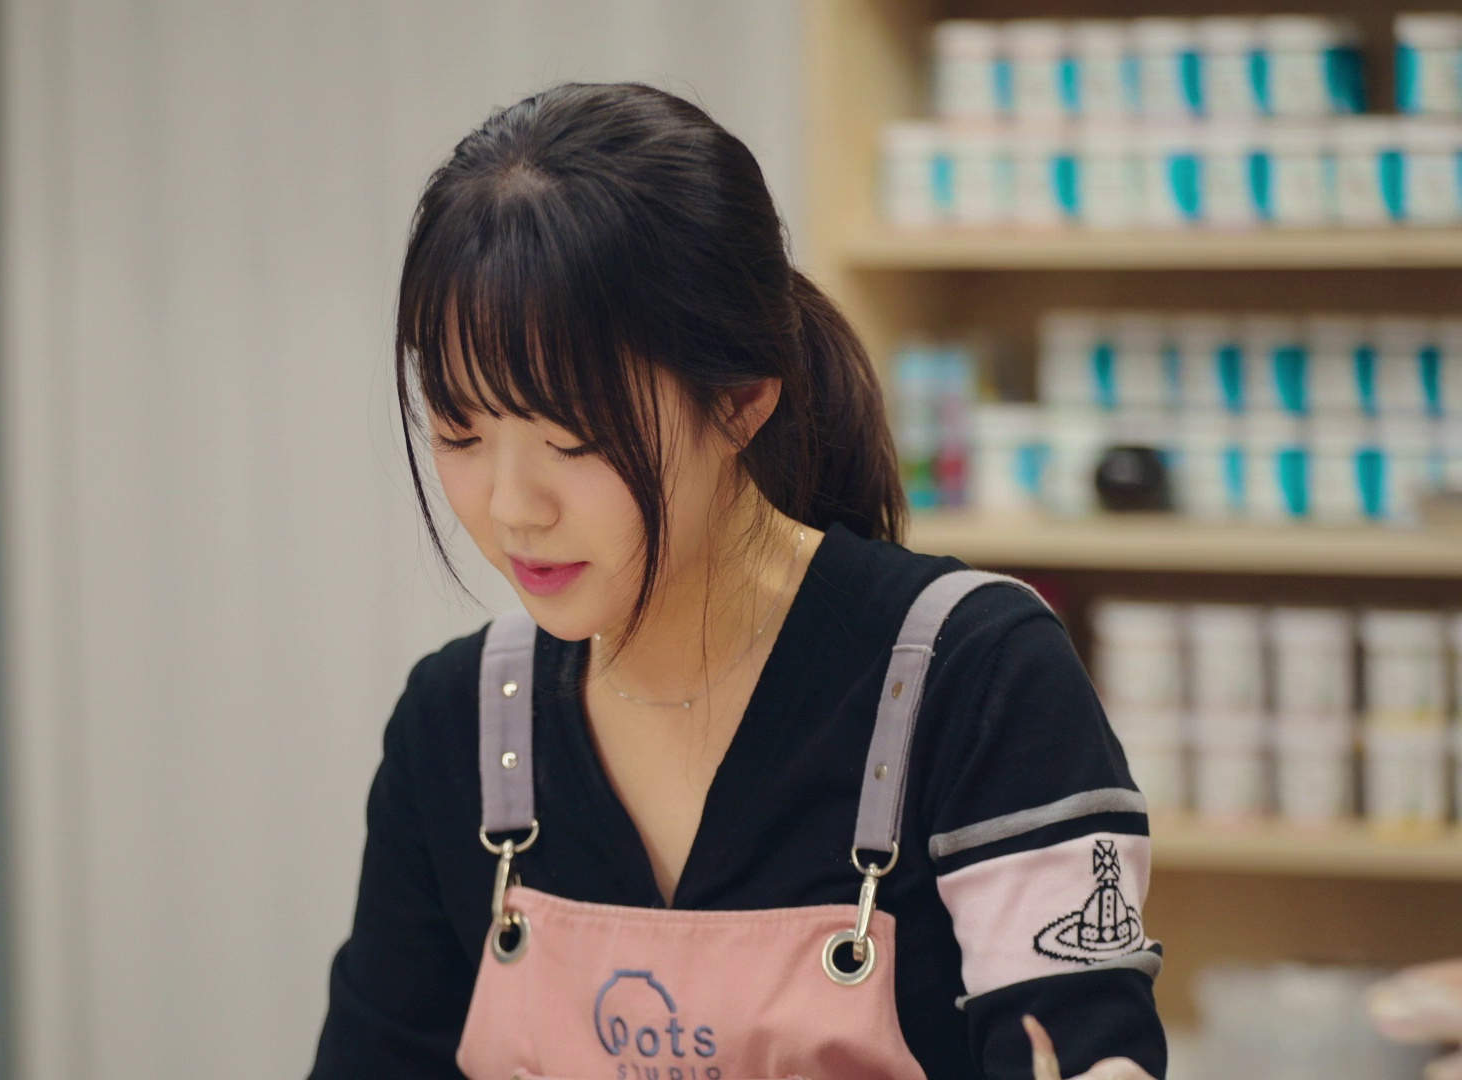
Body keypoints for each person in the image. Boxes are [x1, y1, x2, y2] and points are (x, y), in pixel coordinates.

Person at [308, 82, 1165, 1080]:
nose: (511, 506)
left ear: (740, 402)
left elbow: (1082, 1047)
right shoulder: (457, 723)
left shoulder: (975, 678)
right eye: (460, 432)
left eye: (572, 440)